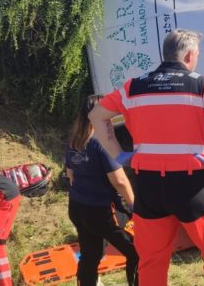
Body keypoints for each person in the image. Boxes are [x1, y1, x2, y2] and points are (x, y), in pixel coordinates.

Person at [88, 29, 204, 286]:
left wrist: (119, 155)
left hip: (148, 187)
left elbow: (96, 115)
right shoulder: (201, 85)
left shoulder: (134, 86)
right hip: (192, 185)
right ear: (190, 55)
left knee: (151, 260)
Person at [66, 94, 138, 286]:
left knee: (91, 254)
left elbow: (70, 174)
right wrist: (134, 207)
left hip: (77, 207)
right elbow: (120, 180)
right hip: (100, 210)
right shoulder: (101, 142)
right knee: (136, 251)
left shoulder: (75, 140)